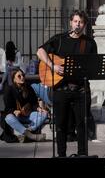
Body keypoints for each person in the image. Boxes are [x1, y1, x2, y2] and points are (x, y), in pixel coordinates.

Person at [37, 9, 98, 158]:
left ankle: (82, 154)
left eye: (81, 22)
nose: (78, 24)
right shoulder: (59, 39)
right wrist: (53, 66)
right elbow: (40, 52)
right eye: (76, 21)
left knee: (82, 124)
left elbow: (93, 66)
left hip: (81, 89)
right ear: (71, 22)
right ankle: (61, 155)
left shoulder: (89, 43)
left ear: (84, 25)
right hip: (61, 88)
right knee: (61, 125)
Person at [3, 68, 47, 142]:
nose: (22, 77)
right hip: (17, 116)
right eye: (19, 76)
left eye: (23, 75)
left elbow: (34, 103)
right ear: (14, 79)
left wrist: (38, 108)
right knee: (8, 118)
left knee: (44, 114)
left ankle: (28, 131)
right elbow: (8, 107)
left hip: (28, 115)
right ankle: (31, 136)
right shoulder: (9, 89)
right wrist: (14, 111)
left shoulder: (28, 87)